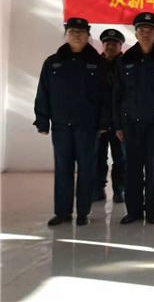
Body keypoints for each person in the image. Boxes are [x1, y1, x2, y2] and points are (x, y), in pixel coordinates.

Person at [34, 17, 109, 226]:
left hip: (88, 126)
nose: (76, 35)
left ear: (88, 35)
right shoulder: (53, 62)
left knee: (86, 169)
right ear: (66, 34)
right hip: (61, 125)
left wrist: (104, 122)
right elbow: (43, 93)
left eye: (81, 32)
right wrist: (42, 121)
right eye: (72, 31)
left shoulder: (98, 63)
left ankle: (83, 212)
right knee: (63, 169)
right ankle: (62, 213)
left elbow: (106, 96)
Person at [114, 12, 154, 225]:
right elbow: (116, 94)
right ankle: (133, 211)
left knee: (153, 168)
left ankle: (151, 210)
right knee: (132, 168)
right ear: (136, 33)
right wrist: (118, 124)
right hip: (130, 123)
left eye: (150, 30)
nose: (145, 33)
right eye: (141, 30)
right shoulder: (125, 60)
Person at [93, 28, 126, 203]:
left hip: (120, 121)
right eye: (107, 43)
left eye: (114, 43)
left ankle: (119, 190)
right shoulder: (95, 64)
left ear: (121, 46)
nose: (110, 46)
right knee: (98, 158)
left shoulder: (126, 64)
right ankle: (98, 188)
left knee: (120, 159)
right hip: (99, 121)